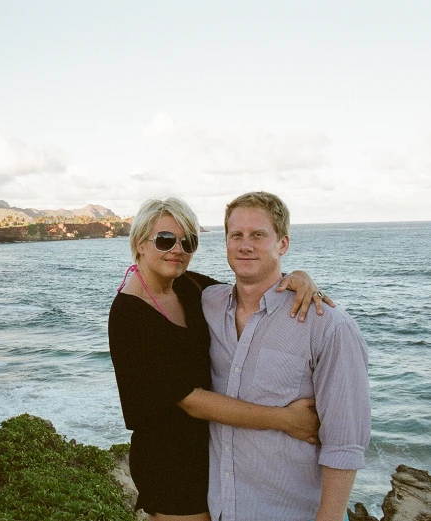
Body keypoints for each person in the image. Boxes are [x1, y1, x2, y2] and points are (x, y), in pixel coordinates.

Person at [108, 197, 328, 521]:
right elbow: (190, 400)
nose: (177, 249)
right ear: (140, 244)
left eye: (189, 241)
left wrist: (297, 278)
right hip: (171, 464)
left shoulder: (189, 286)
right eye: (165, 240)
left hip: (211, 453)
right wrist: (286, 420)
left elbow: (250, 291)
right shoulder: (129, 314)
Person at [203, 192, 371, 521]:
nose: (245, 245)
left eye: (258, 235)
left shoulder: (328, 326)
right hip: (220, 510)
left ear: (283, 244)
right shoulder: (207, 303)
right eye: (236, 235)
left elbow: (345, 440)